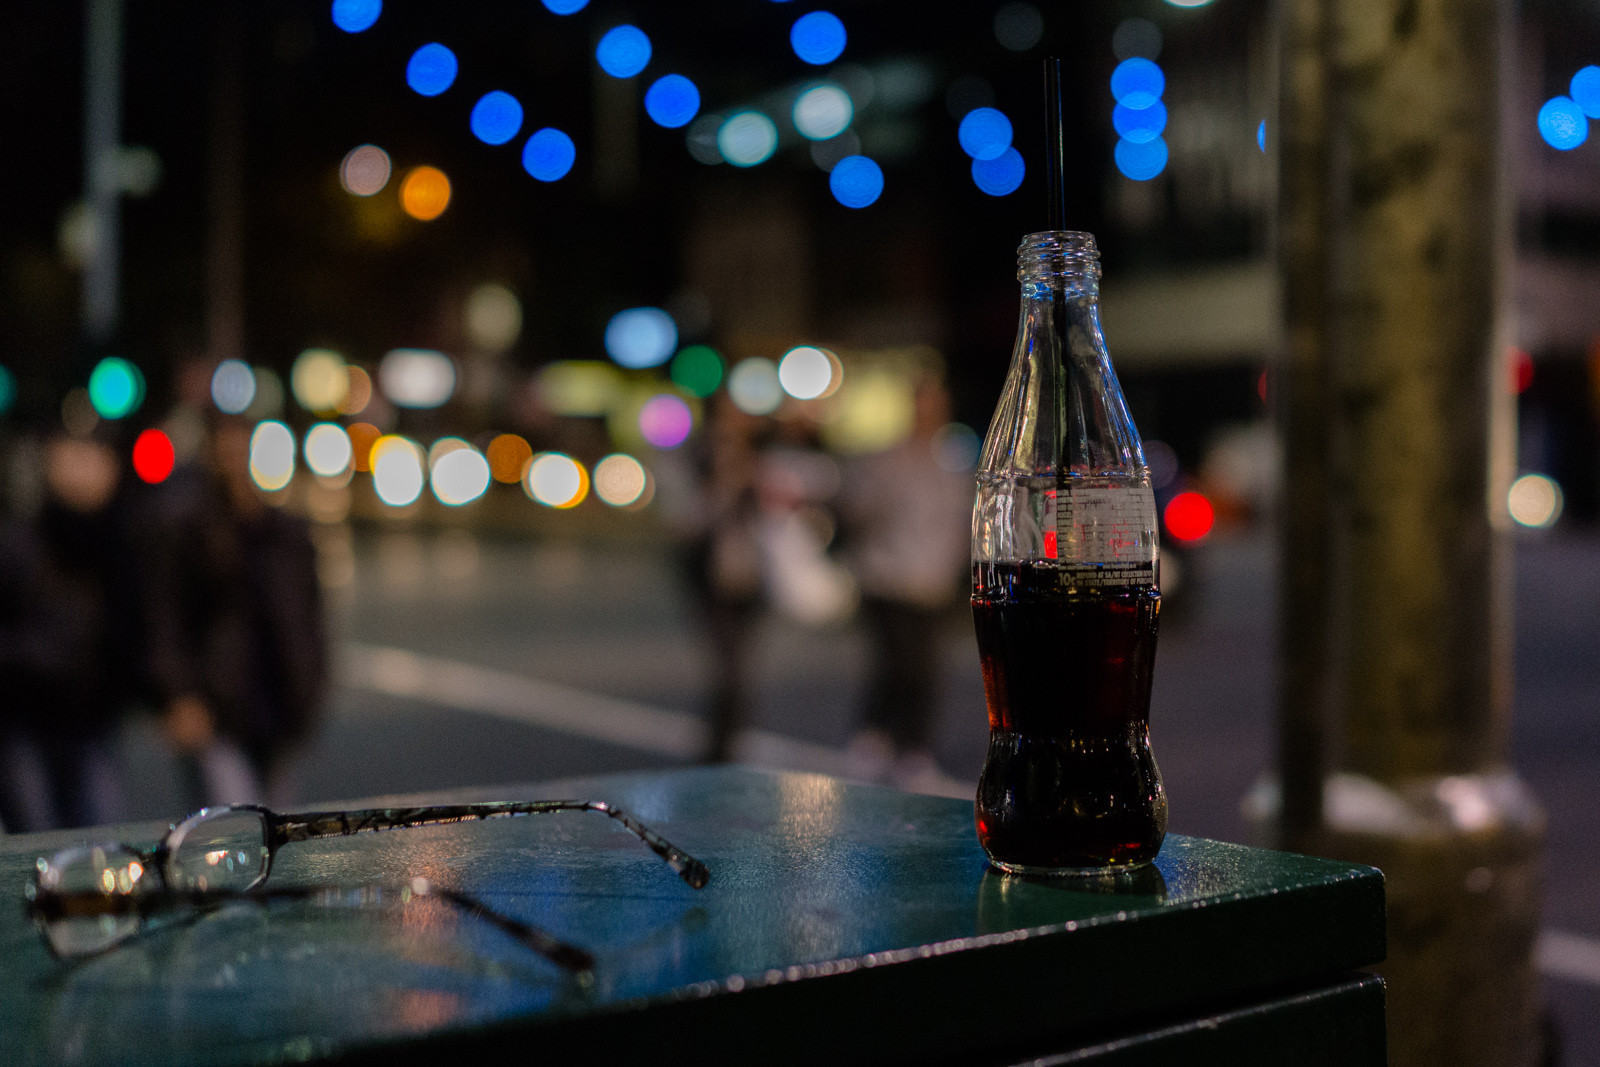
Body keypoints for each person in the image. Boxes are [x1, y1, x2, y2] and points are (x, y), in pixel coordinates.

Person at [142, 413, 328, 810]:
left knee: (274, 827)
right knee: (233, 826)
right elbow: (165, 619)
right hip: (216, 709)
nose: (236, 464)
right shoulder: (188, 530)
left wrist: (310, 689)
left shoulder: (286, 532)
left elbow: (308, 617)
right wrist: (178, 696)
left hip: (277, 705)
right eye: (225, 453)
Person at [0, 429, 142, 831]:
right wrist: (34, 661)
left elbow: (135, 626)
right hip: (24, 721)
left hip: (94, 720)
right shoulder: (21, 542)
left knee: (100, 841)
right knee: (36, 841)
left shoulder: (120, 541)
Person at [837, 375, 972, 791]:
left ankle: (911, 748)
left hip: (932, 582)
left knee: (926, 668)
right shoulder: (885, 460)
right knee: (898, 663)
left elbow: (960, 525)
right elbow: (857, 512)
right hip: (887, 579)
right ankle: (878, 736)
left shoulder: (953, 462)